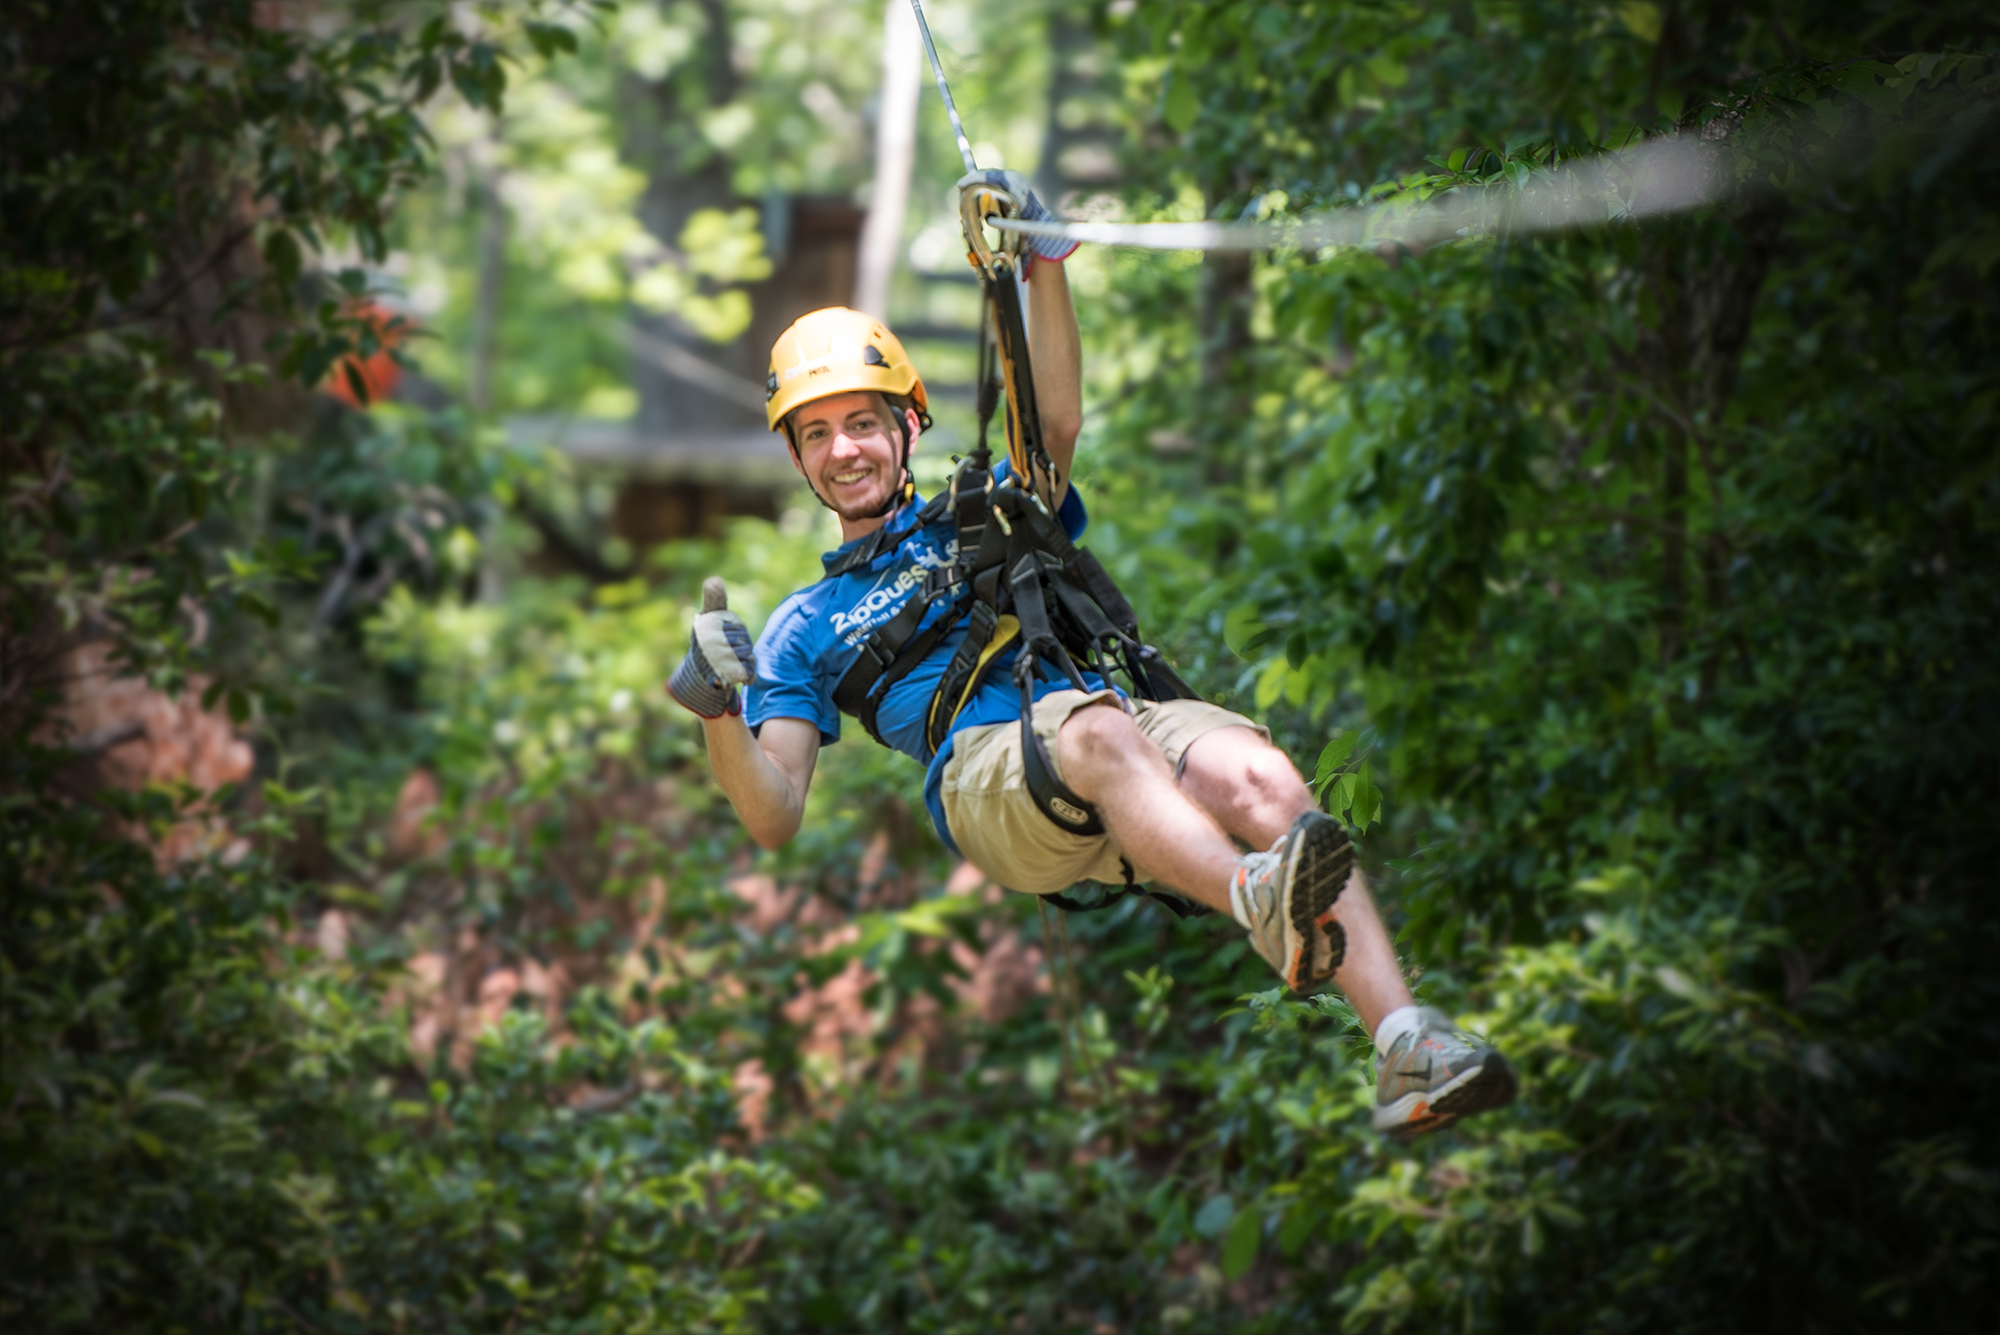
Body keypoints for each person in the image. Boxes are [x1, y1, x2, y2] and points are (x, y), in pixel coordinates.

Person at [668, 170, 1515, 1139]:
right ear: (795, 460)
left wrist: (1044, 258)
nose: (842, 451)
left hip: (1099, 729)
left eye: (862, 422)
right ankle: (1255, 898)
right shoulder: (801, 625)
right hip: (991, 781)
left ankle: (1404, 1046)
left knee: (1261, 777)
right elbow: (773, 813)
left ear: (908, 425)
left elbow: (1052, 425)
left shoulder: (982, 507)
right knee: (1098, 731)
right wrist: (717, 712)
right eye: (815, 435)